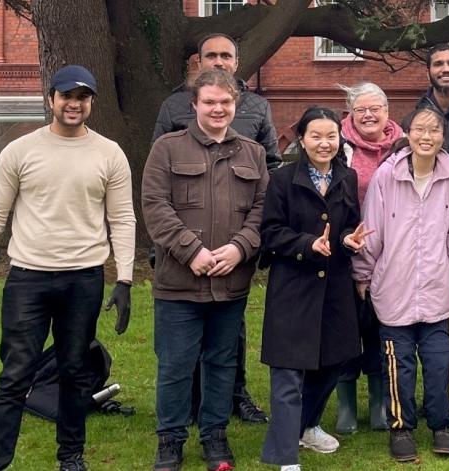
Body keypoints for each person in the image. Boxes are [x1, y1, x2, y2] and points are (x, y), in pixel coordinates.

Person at [0, 64, 135, 471]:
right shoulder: (20, 151)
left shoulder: (109, 154)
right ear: (51, 99)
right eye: (67, 96)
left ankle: (71, 458)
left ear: (91, 102)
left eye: (83, 97)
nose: (74, 104)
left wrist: (124, 279)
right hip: (28, 280)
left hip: (84, 279)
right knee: (16, 374)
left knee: (74, 372)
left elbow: (123, 219)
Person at [143, 69, 269, 471]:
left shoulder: (253, 153)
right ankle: (170, 439)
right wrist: (190, 250)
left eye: (225, 102)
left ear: (236, 105)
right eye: (210, 101)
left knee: (221, 363)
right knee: (176, 365)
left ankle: (215, 435)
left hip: (230, 285)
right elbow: (155, 207)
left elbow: (262, 211)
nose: (218, 109)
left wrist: (240, 248)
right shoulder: (167, 148)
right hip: (179, 282)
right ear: (194, 104)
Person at [352, 106, 449, 463]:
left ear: (442, 137)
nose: (426, 136)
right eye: (419, 129)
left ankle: (442, 423)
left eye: (433, 130)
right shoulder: (386, 176)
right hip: (394, 288)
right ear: (408, 134)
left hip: (436, 287)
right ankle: (401, 426)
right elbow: (371, 228)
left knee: (439, 361)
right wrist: (363, 272)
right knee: (398, 365)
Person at [259, 107, 365, 471]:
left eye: (331, 136)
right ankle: (284, 455)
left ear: (340, 139)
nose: (324, 143)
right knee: (289, 370)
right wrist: (307, 244)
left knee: (333, 361)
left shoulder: (347, 177)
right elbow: (270, 233)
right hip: (293, 287)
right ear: (302, 140)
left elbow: (349, 224)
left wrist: (351, 239)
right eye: (316, 136)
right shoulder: (283, 179)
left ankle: (306, 425)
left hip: (335, 287)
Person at [332, 82, 404, 435]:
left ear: (387, 112)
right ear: (350, 113)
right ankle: (346, 403)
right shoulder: (337, 146)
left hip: (391, 254)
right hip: (343, 252)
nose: (369, 115)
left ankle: (379, 401)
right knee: (346, 328)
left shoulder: (403, 147)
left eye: (375, 108)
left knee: (381, 327)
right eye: (361, 109)